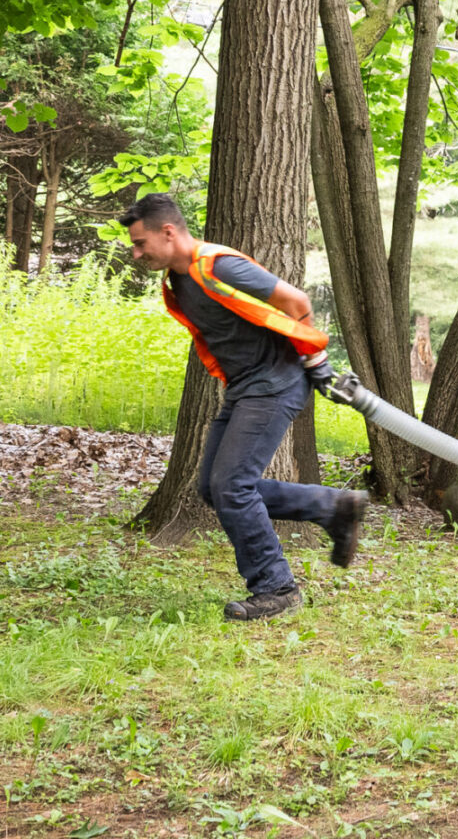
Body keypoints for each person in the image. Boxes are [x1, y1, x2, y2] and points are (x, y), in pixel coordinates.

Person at [120, 192, 366, 622]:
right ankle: (333, 507)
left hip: (275, 383)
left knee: (233, 487)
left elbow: (296, 301)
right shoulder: (178, 279)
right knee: (213, 489)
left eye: (141, 243)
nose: (137, 253)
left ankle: (276, 588)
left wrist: (315, 359)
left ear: (168, 232)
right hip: (246, 387)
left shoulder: (216, 265)